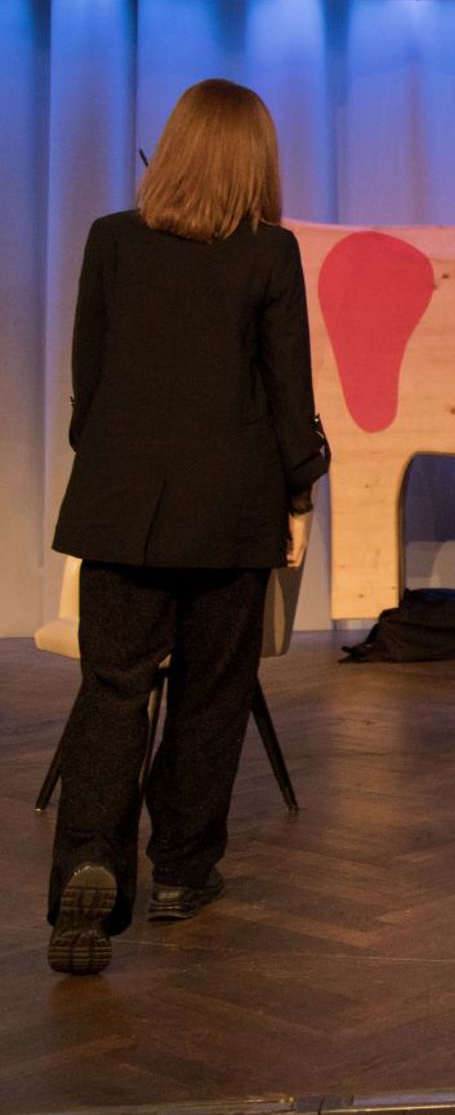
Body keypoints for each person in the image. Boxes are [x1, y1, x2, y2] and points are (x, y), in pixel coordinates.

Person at [45, 79, 329, 975]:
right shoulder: (271, 253)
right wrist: (301, 492)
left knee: (112, 691)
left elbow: (88, 392)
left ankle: (89, 865)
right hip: (230, 513)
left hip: (120, 508)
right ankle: (179, 871)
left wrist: (119, 466)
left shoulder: (111, 240)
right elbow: (288, 396)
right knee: (211, 696)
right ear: (256, 161)